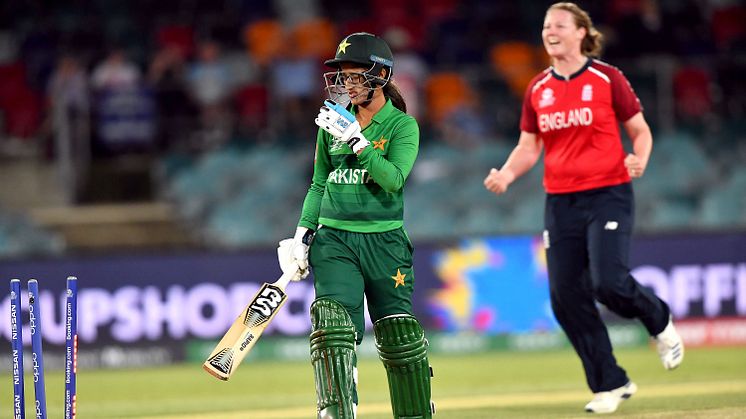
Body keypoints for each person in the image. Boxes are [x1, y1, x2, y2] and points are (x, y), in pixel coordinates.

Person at [483, 2, 684, 414]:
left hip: (609, 193)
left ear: (580, 32)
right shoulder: (538, 88)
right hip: (561, 201)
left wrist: (640, 158)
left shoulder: (607, 78)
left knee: (608, 284)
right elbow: (528, 146)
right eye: (545, 25)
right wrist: (506, 174)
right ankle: (611, 383)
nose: (550, 31)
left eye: (559, 25)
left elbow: (640, 131)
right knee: (564, 297)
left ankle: (659, 319)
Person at [277, 32, 435, 419]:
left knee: (399, 336)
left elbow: (393, 179)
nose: (347, 83)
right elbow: (318, 183)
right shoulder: (331, 122)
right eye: (342, 76)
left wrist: (357, 140)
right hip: (334, 240)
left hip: (385, 241)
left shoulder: (402, 126)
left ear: (380, 75)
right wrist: (301, 234)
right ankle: (335, 411)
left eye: (355, 75)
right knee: (331, 329)